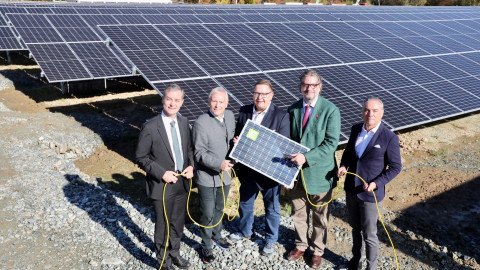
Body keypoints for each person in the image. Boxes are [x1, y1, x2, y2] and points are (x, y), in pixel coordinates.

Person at [337, 97, 402, 270]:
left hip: (370, 194)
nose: (370, 114)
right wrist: (343, 165)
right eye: (366, 110)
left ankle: (370, 267)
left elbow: (396, 167)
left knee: (370, 234)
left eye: (374, 111)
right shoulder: (356, 129)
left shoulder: (389, 138)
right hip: (352, 189)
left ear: (382, 112)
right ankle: (355, 263)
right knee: (355, 228)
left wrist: (376, 183)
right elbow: (349, 152)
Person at [135, 84, 194, 270]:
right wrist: (162, 173)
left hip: (182, 183)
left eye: (177, 100)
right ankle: (163, 262)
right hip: (162, 185)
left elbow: (189, 149)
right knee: (163, 225)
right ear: (163, 99)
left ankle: (174, 253)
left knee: (177, 222)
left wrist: (192, 166)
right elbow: (140, 157)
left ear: (182, 103)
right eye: (169, 99)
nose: (172, 103)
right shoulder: (150, 127)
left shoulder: (184, 123)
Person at [229, 79, 290, 256]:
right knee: (245, 203)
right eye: (256, 93)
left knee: (271, 207)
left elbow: (283, 145)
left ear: (272, 95)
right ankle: (245, 231)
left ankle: (270, 240)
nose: (260, 97)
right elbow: (239, 135)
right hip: (248, 170)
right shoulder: (244, 111)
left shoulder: (281, 116)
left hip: (269, 171)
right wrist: (237, 142)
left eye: (264, 94)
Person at [286, 69, 341, 269]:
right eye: (305, 85)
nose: (309, 88)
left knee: (320, 216)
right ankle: (301, 244)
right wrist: (287, 173)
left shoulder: (330, 110)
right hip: (297, 173)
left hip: (319, 174)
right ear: (300, 86)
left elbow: (331, 143)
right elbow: (287, 143)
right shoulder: (293, 110)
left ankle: (317, 250)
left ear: (320, 87)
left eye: (313, 85)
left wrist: (306, 157)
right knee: (298, 213)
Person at [192, 87, 235, 264]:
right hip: (207, 177)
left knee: (220, 208)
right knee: (207, 212)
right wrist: (219, 164)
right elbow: (198, 153)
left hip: (225, 176)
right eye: (214, 101)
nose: (217, 105)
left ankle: (217, 235)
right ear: (209, 102)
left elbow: (232, 139)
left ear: (227, 103)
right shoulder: (201, 122)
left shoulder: (231, 116)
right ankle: (206, 245)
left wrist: (236, 141)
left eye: (221, 102)